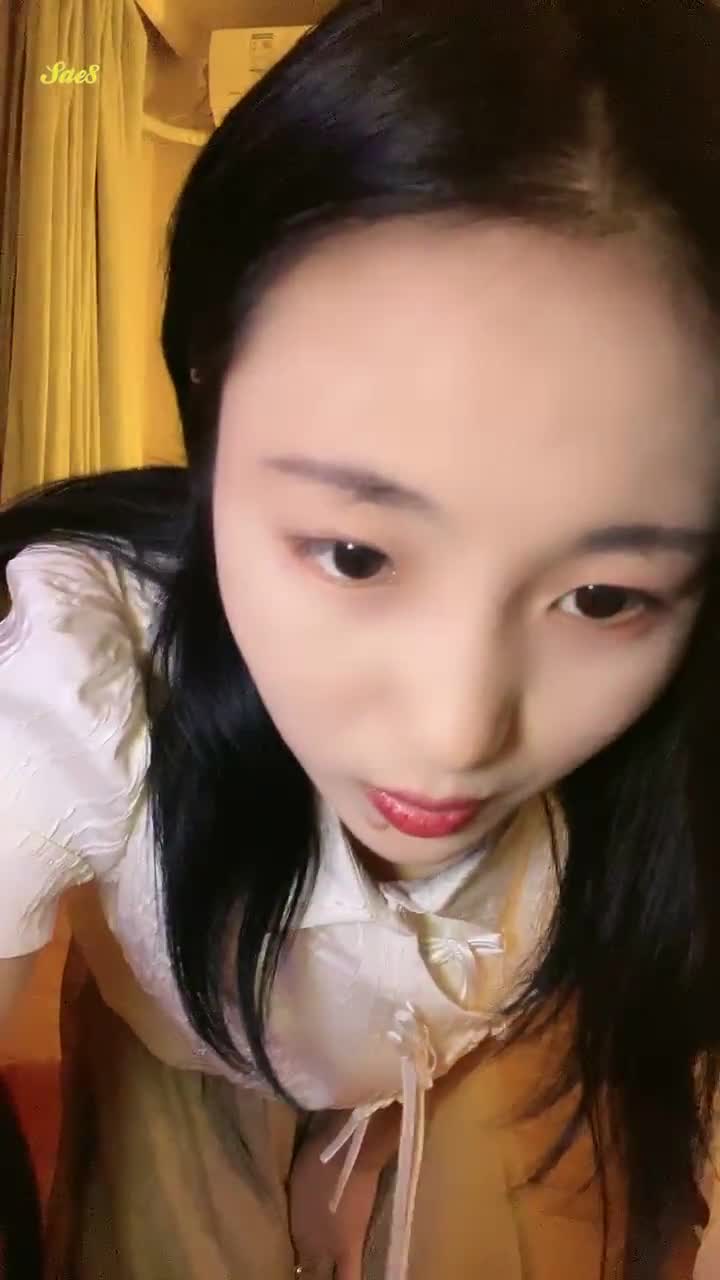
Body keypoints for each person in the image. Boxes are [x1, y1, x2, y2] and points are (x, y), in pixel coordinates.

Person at [1, 0, 720, 1276]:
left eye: (606, 596)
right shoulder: (87, 672)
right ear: (210, 402)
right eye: (356, 553)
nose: (457, 735)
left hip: (502, 1030)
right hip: (186, 1035)